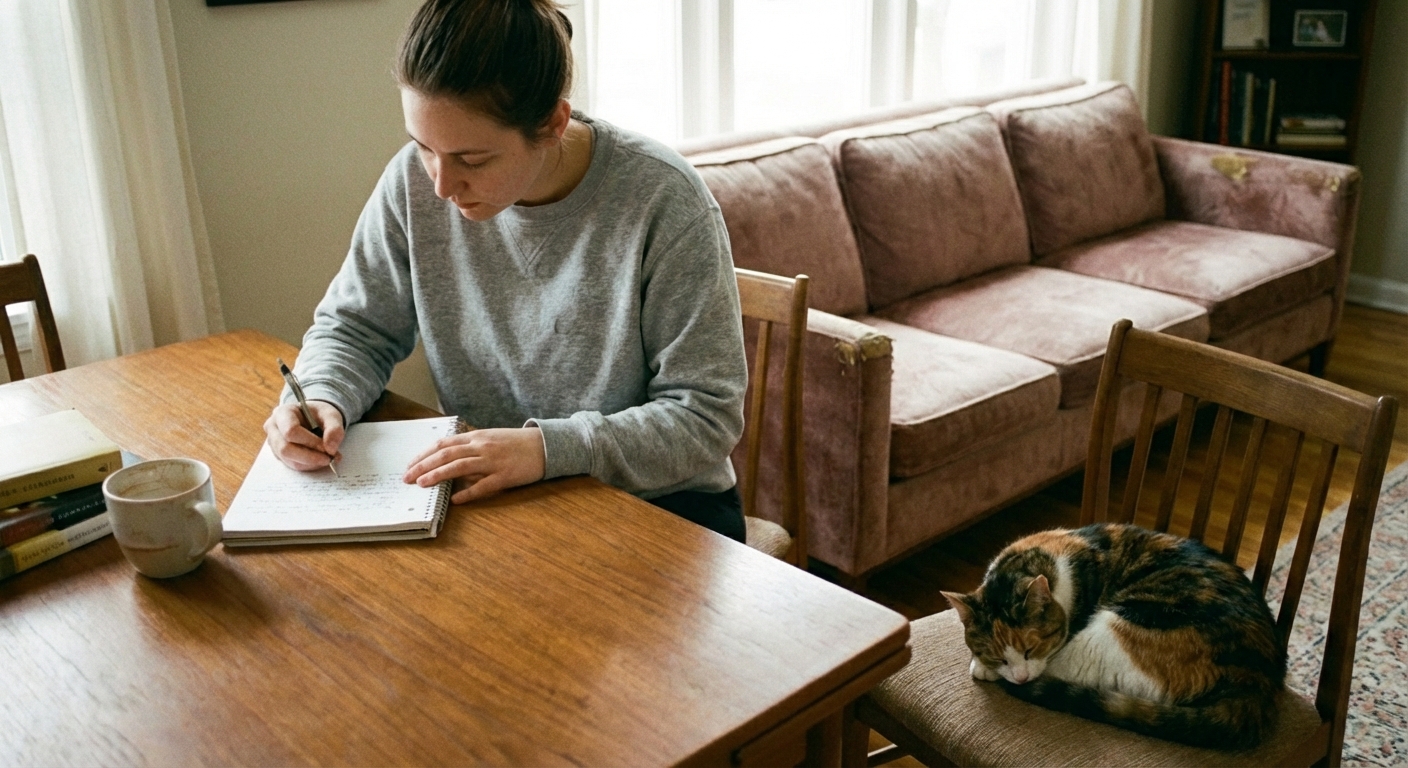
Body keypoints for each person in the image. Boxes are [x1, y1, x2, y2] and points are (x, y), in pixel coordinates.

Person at [261, 0, 749, 541]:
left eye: (472, 160)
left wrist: (545, 450)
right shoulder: (412, 184)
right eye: (422, 146)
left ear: (552, 124)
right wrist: (320, 395)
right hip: (500, 497)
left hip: (661, 505)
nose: (441, 186)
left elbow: (705, 418)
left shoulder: (663, 200)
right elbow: (356, 328)